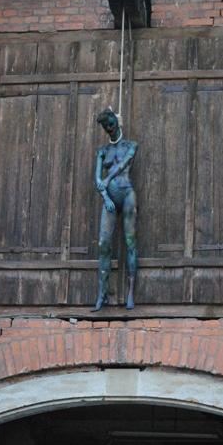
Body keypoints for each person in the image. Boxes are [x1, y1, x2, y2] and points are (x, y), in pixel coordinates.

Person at [92, 108, 138, 312]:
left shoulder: (131, 145)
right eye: (105, 125)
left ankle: (130, 293)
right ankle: (102, 294)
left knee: (130, 242)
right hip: (109, 200)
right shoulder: (102, 151)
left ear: (116, 120)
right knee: (103, 244)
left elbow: (124, 163)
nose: (108, 127)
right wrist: (105, 197)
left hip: (127, 195)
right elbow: (97, 179)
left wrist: (107, 179)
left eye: (110, 122)